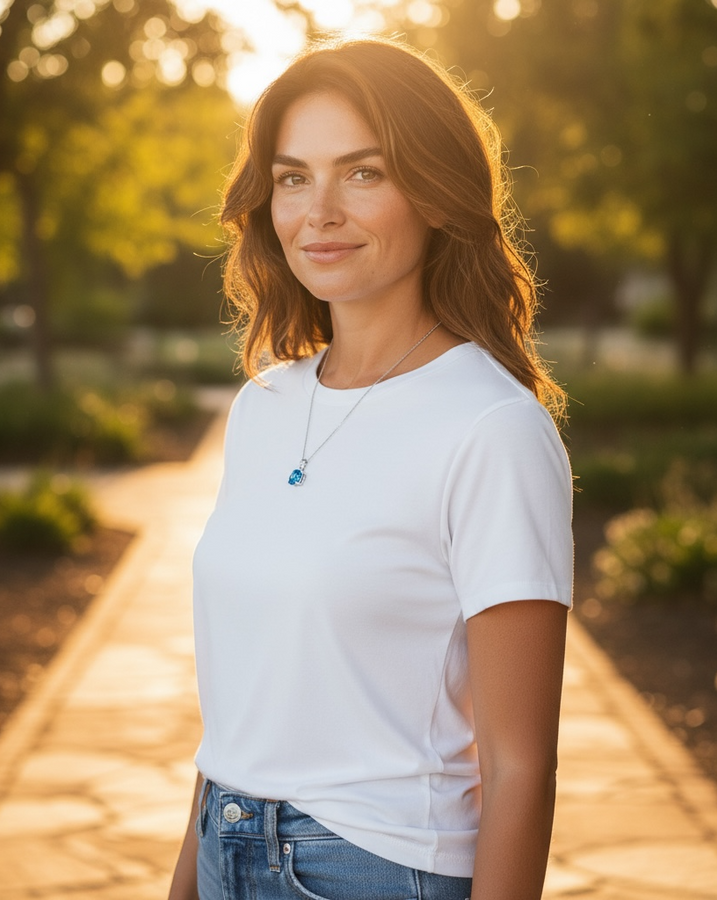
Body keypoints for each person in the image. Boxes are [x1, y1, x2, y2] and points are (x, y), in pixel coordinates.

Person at [168, 36, 573, 900]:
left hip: (374, 868)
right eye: (292, 177)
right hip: (222, 843)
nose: (319, 211)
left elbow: (519, 767)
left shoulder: (492, 426)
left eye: (363, 172)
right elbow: (242, 709)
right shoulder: (263, 408)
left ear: (434, 190)